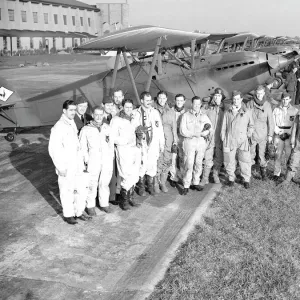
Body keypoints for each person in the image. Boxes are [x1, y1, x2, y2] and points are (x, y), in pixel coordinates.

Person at [48, 100, 90, 225]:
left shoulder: (71, 123)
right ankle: (68, 214)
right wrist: (60, 167)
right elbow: (53, 149)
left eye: (73, 109)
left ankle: (79, 212)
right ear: (64, 111)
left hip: (76, 163)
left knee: (79, 189)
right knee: (67, 190)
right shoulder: (58, 127)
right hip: (66, 165)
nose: (72, 112)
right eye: (70, 110)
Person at [80, 106, 114, 214]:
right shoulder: (86, 129)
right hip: (93, 159)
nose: (99, 117)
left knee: (104, 182)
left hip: (106, 159)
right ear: (93, 115)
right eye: (96, 114)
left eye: (101, 114)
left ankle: (104, 203)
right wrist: (86, 159)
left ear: (104, 115)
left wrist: (110, 156)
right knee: (92, 183)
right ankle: (90, 205)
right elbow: (82, 147)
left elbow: (111, 144)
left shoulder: (107, 128)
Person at [132, 91, 165, 196]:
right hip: (141, 143)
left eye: (150, 100)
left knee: (152, 164)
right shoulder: (136, 113)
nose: (149, 102)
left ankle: (150, 186)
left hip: (153, 142)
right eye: (146, 100)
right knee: (142, 164)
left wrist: (161, 143)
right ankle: (141, 186)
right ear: (141, 101)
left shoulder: (155, 112)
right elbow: (132, 127)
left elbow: (160, 129)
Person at [110, 99, 141, 210]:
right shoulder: (116, 120)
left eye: (130, 107)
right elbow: (112, 137)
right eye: (126, 107)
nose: (128, 109)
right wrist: (124, 141)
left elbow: (137, 130)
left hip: (134, 148)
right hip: (123, 149)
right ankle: (124, 201)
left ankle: (131, 197)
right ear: (122, 107)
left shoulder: (133, 119)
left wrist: (139, 136)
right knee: (125, 174)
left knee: (134, 173)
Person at [221, 90, 254, 189]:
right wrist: (223, 137)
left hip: (242, 140)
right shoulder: (228, 111)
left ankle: (246, 179)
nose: (236, 101)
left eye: (237, 99)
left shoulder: (246, 111)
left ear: (241, 99)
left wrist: (248, 134)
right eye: (234, 99)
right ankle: (231, 178)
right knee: (228, 160)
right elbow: (224, 126)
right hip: (229, 139)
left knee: (245, 160)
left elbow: (251, 125)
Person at [180, 96, 212, 195]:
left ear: (200, 105)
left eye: (199, 104)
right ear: (191, 104)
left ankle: (196, 182)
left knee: (198, 163)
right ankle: (186, 185)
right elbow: (182, 130)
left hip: (200, 142)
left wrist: (205, 133)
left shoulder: (204, 116)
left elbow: (210, 127)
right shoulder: (186, 115)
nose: (197, 106)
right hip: (190, 141)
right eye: (195, 104)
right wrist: (193, 134)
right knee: (189, 163)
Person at [246, 85, 274, 181]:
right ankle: (247, 174)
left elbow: (271, 121)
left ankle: (263, 174)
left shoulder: (267, 105)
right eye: (257, 93)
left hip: (263, 134)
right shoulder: (250, 103)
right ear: (255, 93)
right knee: (250, 154)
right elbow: (245, 118)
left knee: (262, 155)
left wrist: (270, 135)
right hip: (252, 133)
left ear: (264, 93)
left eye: (261, 93)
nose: (259, 95)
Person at [153, 91, 177, 193]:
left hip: (169, 140)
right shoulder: (153, 110)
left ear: (166, 99)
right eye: (160, 98)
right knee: (157, 162)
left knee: (167, 161)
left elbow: (174, 128)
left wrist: (175, 142)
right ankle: (155, 184)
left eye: (164, 98)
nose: (162, 100)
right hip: (157, 140)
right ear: (157, 98)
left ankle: (163, 183)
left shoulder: (171, 112)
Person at [201, 88, 226, 186]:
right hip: (210, 138)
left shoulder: (225, 109)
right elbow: (201, 115)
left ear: (222, 97)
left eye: (219, 96)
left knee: (219, 158)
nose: (216, 98)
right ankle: (205, 178)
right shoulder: (208, 108)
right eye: (215, 96)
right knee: (208, 158)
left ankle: (215, 174)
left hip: (220, 138)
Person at [272, 92, 299, 181]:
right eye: (283, 99)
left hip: (289, 135)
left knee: (289, 155)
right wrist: (278, 132)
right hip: (278, 134)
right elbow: (273, 122)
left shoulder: (294, 111)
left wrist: (288, 133)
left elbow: (295, 125)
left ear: (290, 100)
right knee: (278, 154)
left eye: (287, 99)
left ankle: (289, 174)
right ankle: (276, 173)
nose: (285, 101)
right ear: (281, 99)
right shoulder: (276, 110)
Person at [169, 94, 187, 187]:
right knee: (173, 158)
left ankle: (183, 178)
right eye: (177, 100)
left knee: (183, 159)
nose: (179, 102)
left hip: (183, 139)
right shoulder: (170, 111)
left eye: (181, 100)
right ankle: (173, 177)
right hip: (173, 138)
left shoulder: (187, 113)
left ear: (184, 101)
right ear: (175, 101)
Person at [280, 111, 300, 183]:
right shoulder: (298, 114)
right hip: (298, 144)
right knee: (293, 162)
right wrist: (292, 140)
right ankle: (287, 181)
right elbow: (295, 128)